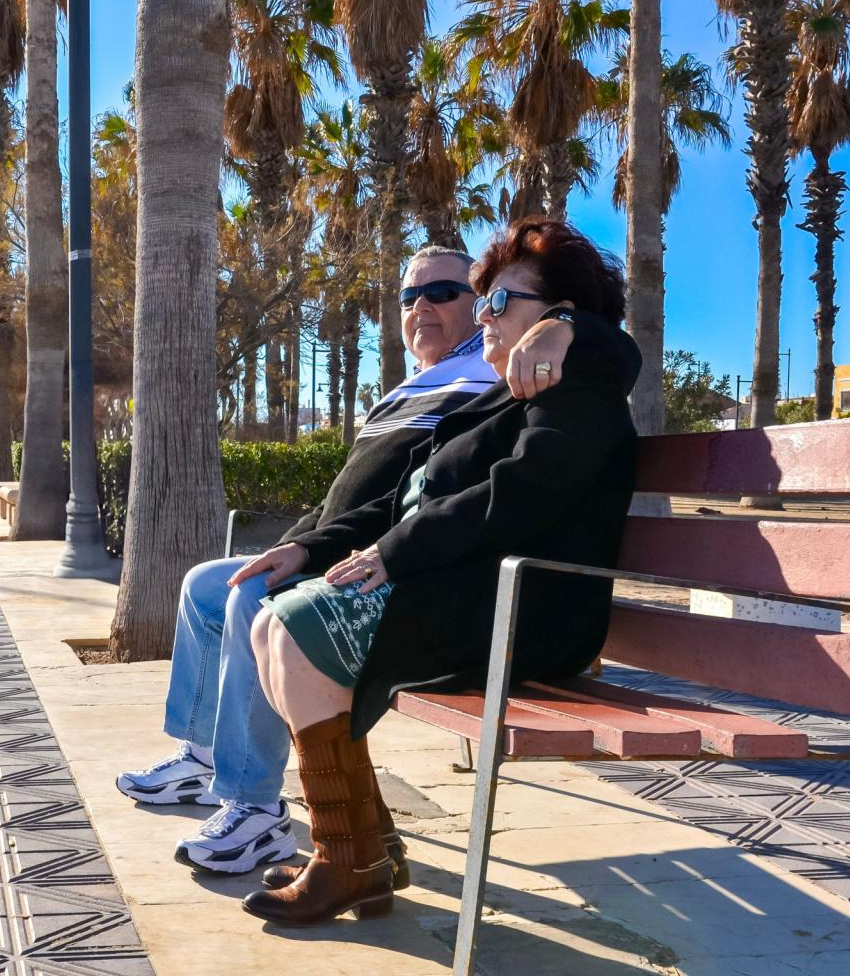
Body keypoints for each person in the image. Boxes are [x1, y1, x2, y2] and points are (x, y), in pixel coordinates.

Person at [115, 245, 621, 876]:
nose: (425, 307)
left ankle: (271, 816)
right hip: (388, 561)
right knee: (217, 587)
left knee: (270, 613)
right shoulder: (435, 390)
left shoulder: (528, 368)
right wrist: (302, 544)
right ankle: (325, 832)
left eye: (454, 294)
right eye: (410, 297)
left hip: (473, 595)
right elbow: (378, 497)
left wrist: (566, 324)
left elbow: (599, 367)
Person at [238, 218, 639, 926]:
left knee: (297, 631)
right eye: (483, 302)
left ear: (557, 315)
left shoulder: (579, 385)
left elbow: (518, 496)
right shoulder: (498, 401)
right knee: (272, 621)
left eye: (500, 302)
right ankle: (357, 850)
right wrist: (310, 549)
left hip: (526, 613)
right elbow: (400, 504)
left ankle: (349, 858)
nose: (484, 316)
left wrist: (571, 325)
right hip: (469, 595)